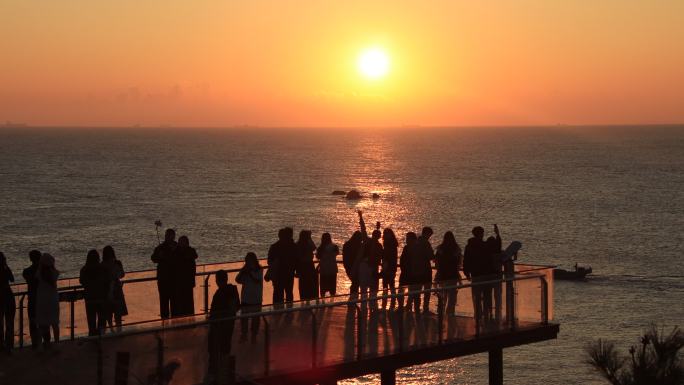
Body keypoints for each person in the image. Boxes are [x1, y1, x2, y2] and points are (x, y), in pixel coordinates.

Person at [207, 270, 240, 376]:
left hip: (219, 325)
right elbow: (236, 306)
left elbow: (214, 311)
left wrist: (211, 319)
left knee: (214, 347)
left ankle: (215, 369)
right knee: (226, 346)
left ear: (217, 280)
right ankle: (224, 367)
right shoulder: (233, 290)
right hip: (229, 323)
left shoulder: (219, 293)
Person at [463, 226, 491, 330]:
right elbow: (489, 259)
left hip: (475, 274)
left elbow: (466, 260)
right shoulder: (485, 245)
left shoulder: (469, 246)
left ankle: (478, 315)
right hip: (485, 274)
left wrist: (466, 273)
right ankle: (486, 315)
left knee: (476, 296)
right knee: (486, 296)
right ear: (481, 234)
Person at [235, 252, 263, 343]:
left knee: (255, 319)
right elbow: (237, 280)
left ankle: (254, 336)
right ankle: (244, 335)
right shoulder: (244, 270)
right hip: (245, 298)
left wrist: (250, 272)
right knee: (244, 319)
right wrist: (243, 271)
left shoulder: (259, 269)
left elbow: (257, 280)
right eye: (246, 261)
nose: (247, 263)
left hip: (256, 298)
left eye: (249, 261)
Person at [79, 249, 108, 336]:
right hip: (101, 297)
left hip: (89, 298)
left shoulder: (84, 269)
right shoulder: (102, 268)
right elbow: (106, 281)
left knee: (91, 321)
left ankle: (92, 337)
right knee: (102, 321)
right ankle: (101, 337)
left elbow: (81, 281)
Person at [151, 228, 178, 318]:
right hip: (163, 280)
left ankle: (174, 323)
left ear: (173, 236)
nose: (168, 237)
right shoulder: (160, 247)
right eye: (167, 235)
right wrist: (159, 255)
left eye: (170, 235)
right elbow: (153, 258)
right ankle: (165, 322)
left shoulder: (177, 247)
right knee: (164, 303)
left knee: (174, 303)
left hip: (173, 280)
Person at [434, 231, 463, 316]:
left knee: (442, 295)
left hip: (442, 275)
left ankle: (441, 313)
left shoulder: (440, 249)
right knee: (452, 296)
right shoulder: (456, 249)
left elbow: (437, 262)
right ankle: (450, 313)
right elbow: (459, 262)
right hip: (453, 274)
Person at [267, 227, 298, 304]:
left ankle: (277, 311)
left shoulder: (274, 247)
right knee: (289, 293)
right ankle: (289, 310)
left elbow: (269, 261)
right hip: (289, 273)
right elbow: (296, 260)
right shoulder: (293, 246)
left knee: (278, 293)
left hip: (278, 274)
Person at [36, 253, 60, 349]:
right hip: (53, 299)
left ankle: (40, 345)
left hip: (42, 299)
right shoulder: (55, 273)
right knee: (55, 323)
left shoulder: (39, 273)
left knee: (42, 323)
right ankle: (57, 343)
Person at [102, 246, 127, 330]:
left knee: (108, 312)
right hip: (117, 289)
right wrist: (117, 275)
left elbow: (103, 278)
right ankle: (119, 329)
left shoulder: (102, 264)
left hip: (106, 290)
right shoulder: (117, 263)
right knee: (118, 312)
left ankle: (111, 329)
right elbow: (122, 274)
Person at [410, 226, 434, 313]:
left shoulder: (415, 243)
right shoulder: (426, 243)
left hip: (416, 270)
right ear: (427, 233)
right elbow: (431, 256)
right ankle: (425, 308)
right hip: (425, 270)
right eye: (430, 235)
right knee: (427, 290)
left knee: (417, 291)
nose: (430, 237)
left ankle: (416, 308)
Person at [22, 250, 42, 349]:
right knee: (43, 321)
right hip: (42, 298)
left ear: (30, 259)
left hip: (32, 298)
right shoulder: (44, 271)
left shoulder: (26, 271)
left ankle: (34, 342)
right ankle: (44, 341)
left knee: (32, 321)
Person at [174, 236, 198, 316]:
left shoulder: (190, 251)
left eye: (182, 242)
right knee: (181, 303)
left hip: (187, 281)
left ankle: (189, 319)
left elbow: (194, 255)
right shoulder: (177, 251)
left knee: (188, 302)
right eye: (180, 242)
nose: (180, 244)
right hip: (180, 282)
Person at [0, 252, 16, 354]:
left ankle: (1, 345)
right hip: (8, 296)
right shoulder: (5, 269)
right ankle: (9, 346)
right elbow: (12, 279)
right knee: (9, 323)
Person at [296, 230, 317, 301]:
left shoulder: (298, 244)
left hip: (301, 265)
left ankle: (303, 298)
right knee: (309, 282)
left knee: (302, 283)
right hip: (309, 265)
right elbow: (314, 248)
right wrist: (310, 238)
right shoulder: (309, 243)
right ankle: (309, 298)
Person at [316, 233, 339, 298]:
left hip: (324, 269)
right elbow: (337, 253)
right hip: (332, 269)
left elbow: (318, 257)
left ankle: (322, 303)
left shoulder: (321, 248)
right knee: (332, 288)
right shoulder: (334, 247)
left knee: (323, 288)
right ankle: (332, 303)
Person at [398, 232, 417, 310]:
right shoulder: (406, 248)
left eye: (408, 238)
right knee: (402, 290)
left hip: (411, 272)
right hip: (406, 272)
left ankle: (407, 305)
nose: (406, 240)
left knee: (410, 291)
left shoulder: (414, 248)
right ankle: (403, 305)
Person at [380, 228, 398, 310]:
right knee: (389, 285)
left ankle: (388, 304)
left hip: (389, 267)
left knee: (389, 284)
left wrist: (385, 266)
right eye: (385, 233)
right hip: (389, 266)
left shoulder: (390, 244)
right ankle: (390, 303)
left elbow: (388, 257)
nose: (385, 235)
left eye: (387, 233)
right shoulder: (390, 244)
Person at [342, 231, 362, 301]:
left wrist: (346, 266)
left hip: (348, 266)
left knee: (354, 282)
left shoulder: (346, 245)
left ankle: (352, 299)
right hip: (355, 267)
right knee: (356, 283)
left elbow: (344, 258)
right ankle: (353, 299)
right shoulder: (359, 246)